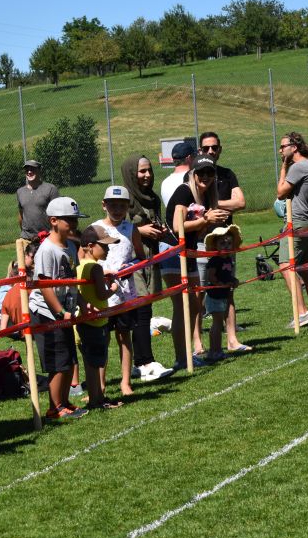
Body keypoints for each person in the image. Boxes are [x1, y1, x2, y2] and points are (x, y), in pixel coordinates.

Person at [167, 155, 230, 366]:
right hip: (172, 252)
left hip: (189, 252)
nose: (205, 176)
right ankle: (181, 358)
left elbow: (197, 231)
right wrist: (205, 219)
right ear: (193, 174)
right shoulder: (184, 191)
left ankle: (187, 354)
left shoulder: (206, 198)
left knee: (194, 306)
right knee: (182, 306)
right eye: (201, 172)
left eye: (210, 172)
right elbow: (177, 226)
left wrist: (211, 223)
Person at [29, 196, 87, 420]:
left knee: (70, 360)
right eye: (69, 220)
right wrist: (61, 312)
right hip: (46, 313)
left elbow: (73, 280)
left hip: (64, 312)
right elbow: (44, 286)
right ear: (53, 221)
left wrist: (81, 304)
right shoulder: (47, 250)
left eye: (75, 220)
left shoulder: (70, 246)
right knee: (58, 362)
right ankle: (55, 408)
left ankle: (64, 401)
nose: (74, 224)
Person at [120, 155, 174, 381]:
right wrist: (141, 231)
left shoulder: (151, 198)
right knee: (140, 311)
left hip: (150, 258)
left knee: (146, 309)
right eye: (142, 171)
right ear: (132, 173)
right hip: (131, 261)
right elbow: (116, 226)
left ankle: (140, 362)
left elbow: (153, 222)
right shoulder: (124, 198)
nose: (147, 175)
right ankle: (145, 363)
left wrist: (159, 231)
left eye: (149, 170)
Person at [197, 132, 246, 352]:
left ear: (220, 150)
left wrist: (215, 204)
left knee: (228, 288)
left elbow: (240, 202)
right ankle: (197, 343)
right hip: (202, 243)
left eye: (214, 148)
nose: (211, 151)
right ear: (200, 150)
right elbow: (194, 207)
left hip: (226, 243)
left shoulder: (227, 174)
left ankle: (232, 339)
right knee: (199, 292)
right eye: (206, 148)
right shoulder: (194, 175)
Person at [93, 186, 144, 397]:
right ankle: (100, 385)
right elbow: (85, 258)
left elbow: (140, 257)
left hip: (124, 293)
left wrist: (129, 266)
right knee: (102, 338)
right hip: (101, 293)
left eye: (122, 205)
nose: (117, 209)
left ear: (128, 207)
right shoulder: (95, 229)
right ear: (104, 205)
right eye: (112, 205)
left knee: (124, 336)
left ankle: (125, 382)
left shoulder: (131, 229)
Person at [276, 132, 308, 327]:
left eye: (283, 146)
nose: (280, 150)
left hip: (296, 222)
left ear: (294, 147)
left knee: (285, 265)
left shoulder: (298, 167)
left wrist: (284, 166)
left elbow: (280, 193)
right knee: (304, 268)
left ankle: (302, 313)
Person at [74, 225, 122, 410]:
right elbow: (102, 295)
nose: (108, 249)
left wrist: (103, 275)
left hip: (84, 322)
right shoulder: (95, 267)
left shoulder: (81, 266)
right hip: (95, 323)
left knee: (91, 363)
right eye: (104, 246)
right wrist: (113, 288)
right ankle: (97, 400)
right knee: (95, 364)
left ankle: (97, 397)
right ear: (90, 246)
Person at [202, 225, 242, 361]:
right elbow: (211, 276)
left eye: (229, 243)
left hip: (223, 295)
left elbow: (227, 275)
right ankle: (214, 351)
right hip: (215, 296)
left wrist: (233, 281)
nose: (226, 246)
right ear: (216, 245)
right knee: (217, 324)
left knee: (219, 324)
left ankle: (216, 351)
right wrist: (218, 283)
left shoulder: (228, 259)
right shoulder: (215, 260)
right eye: (222, 243)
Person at [17, 160, 59, 241]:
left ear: (39, 170)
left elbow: (58, 214)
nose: (29, 172)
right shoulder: (20, 191)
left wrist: (53, 232)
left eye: (32, 169)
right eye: (27, 169)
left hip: (46, 237)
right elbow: (21, 214)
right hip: (26, 238)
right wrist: (23, 232)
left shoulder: (50, 189)